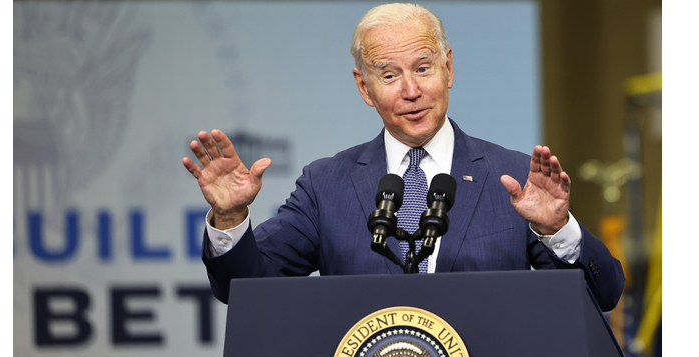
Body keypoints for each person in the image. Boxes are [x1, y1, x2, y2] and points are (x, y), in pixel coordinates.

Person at [182, 3, 624, 309]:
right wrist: (230, 218)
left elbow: (602, 295)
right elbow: (244, 289)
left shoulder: (510, 176)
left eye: (423, 68)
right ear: (364, 87)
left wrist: (556, 230)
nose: (411, 91)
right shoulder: (326, 185)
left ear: (449, 68)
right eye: (389, 75)